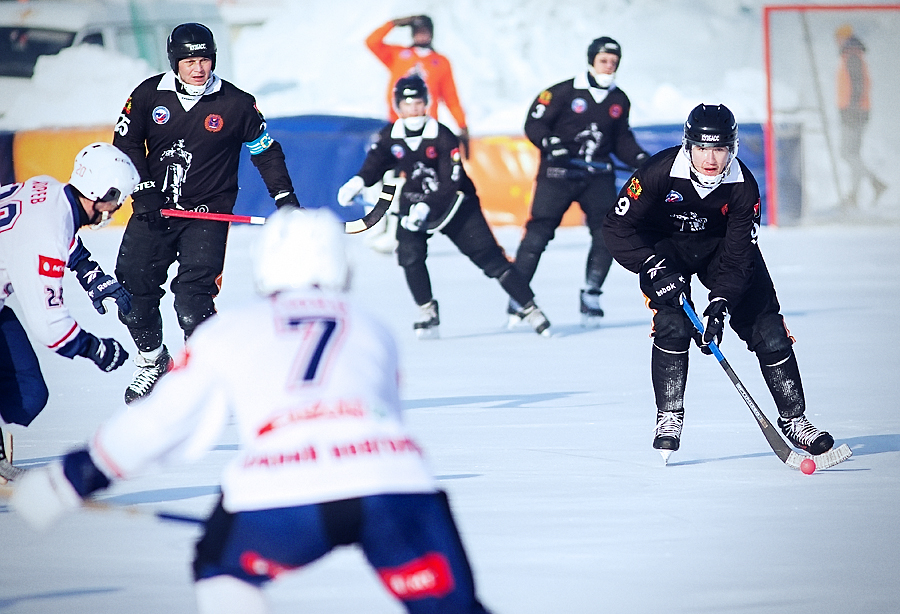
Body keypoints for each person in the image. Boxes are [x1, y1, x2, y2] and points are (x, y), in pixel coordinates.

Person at [12, 206, 494, 614]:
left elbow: (158, 422)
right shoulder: (373, 328)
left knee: (219, 566)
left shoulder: (232, 330)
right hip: (396, 488)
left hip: (281, 492)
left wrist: (67, 481)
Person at [602, 103, 837, 461]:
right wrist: (649, 265)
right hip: (664, 249)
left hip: (722, 251)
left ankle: (795, 420)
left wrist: (721, 302)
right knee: (673, 322)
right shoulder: (658, 172)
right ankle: (669, 416)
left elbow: (740, 253)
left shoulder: (743, 187)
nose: (710, 158)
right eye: (702, 148)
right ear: (688, 146)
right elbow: (617, 227)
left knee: (767, 327)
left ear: (733, 148)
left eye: (720, 149)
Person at [112, 22, 300, 406]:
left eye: (205, 59)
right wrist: (142, 188)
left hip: (207, 215)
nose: (198, 68)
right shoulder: (148, 94)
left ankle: (204, 375)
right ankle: (152, 360)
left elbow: (265, 151)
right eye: (190, 61)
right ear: (175, 62)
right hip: (154, 210)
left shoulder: (236, 103)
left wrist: (285, 200)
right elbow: (125, 143)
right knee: (133, 289)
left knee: (193, 300)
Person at [337, 75, 550, 339]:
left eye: (418, 103)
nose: (413, 109)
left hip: (456, 205)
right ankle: (427, 310)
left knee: (490, 258)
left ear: (426, 103)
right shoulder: (389, 135)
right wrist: (357, 182)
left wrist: (428, 207)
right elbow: (376, 163)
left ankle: (529, 307)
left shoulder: (442, 135)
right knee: (409, 254)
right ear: (397, 106)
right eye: (407, 104)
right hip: (414, 202)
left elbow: (452, 179)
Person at [0, 142, 138, 481]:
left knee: (27, 390)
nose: (117, 207)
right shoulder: (45, 238)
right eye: (117, 198)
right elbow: (52, 329)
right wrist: (98, 349)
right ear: (102, 193)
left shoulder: (48, 187)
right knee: (25, 392)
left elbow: (62, 234)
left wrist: (92, 276)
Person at [511, 36, 649, 327]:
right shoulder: (561, 92)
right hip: (558, 174)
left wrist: (640, 159)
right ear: (591, 61)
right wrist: (549, 142)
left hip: (597, 176)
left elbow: (621, 139)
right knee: (538, 234)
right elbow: (534, 123)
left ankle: (591, 294)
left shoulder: (619, 99)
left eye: (614, 62)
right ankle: (517, 299)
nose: (609, 66)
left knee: (607, 234)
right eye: (604, 60)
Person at [366, 15, 469, 155]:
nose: (421, 35)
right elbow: (372, 42)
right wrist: (394, 23)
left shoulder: (440, 62)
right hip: (397, 123)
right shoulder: (399, 55)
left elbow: (451, 98)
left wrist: (462, 125)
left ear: (431, 33)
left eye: (424, 31)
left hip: (426, 128)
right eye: (417, 31)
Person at [834, 24, 887, 208]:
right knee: (852, 155)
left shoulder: (853, 56)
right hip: (856, 112)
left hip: (854, 113)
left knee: (848, 153)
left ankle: (875, 184)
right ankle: (856, 195)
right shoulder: (852, 55)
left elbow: (857, 86)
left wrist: (850, 111)